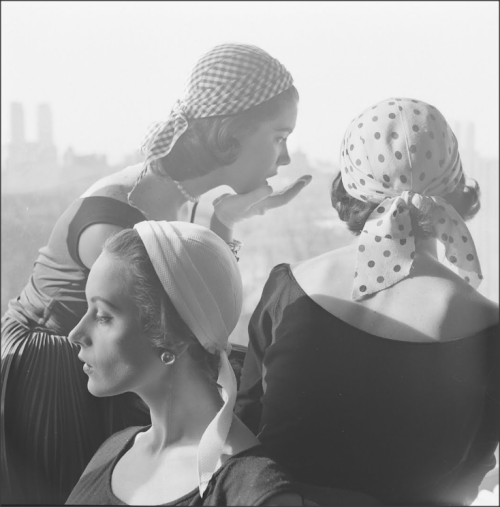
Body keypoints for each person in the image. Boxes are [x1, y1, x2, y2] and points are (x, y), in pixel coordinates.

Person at [1, 42, 311, 504]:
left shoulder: (171, 193)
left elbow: (190, 303)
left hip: (112, 358)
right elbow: (188, 314)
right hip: (53, 371)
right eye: (278, 137)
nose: (284, 158)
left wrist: (226, 220)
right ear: (231, 136)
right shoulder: (119, 219)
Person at [235, 98, 499, 505]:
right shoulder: (488, 326)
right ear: (455, 189)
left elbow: (243, 431)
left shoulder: (290, 287)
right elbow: (468, 476)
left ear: (349, 186)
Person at [66, 221, 302, 506]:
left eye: (103, 316)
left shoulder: (252, 494)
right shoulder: (113, 450)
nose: (75, 334)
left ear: (171, 339)